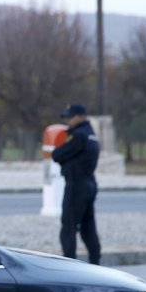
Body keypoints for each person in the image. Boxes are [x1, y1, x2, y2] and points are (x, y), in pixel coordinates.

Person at [51, 103, 101, 264]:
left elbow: (57, 154)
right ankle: (95, 260)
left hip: (76, 185)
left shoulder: (78, 135)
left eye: (71, 117)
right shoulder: (91, 134)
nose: (68, 121)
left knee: (69, 227)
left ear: (81, 117)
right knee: (88, 227)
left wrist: (62, 156)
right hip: (89, 184)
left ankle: (69, 264)